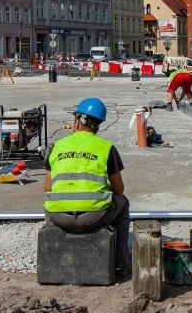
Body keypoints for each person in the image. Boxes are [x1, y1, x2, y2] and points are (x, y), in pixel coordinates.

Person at [44, 97, 131, 275]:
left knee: (50, 201)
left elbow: (48, 188)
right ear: (97, 126)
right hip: (94, 217)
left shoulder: (56, 147)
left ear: (77, 121)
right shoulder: (106, 147)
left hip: (58, 217)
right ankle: (121, 262)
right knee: (123, 202)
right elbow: (119, 190)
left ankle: (54, 247)